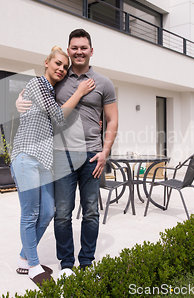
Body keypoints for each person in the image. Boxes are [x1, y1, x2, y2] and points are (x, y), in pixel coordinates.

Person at [16, 29, 118, 277]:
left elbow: (112, 120)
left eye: (84, 47)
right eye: (74, 48)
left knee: (91, 210)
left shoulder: (104, 83)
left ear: (91, 51)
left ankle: (86, 262)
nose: (79, 52)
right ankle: (66, 264)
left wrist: (106, 152)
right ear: (69, 50)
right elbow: (37, 91)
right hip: (61, 155)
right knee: (62, 212)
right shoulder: (60, 77)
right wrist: (18, 100)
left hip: (93, 154)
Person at [10, 46, 95, 287]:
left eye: (65, 67)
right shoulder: (37, 83)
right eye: (58, 63)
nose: (62, 68)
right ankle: (33, 265)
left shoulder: (50, 90)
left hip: (45, 161)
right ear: (46, 62)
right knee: (30, 213)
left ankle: (25, 257)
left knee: (48, 211)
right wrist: (79, 92)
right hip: (26, 155)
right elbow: (58, 117)